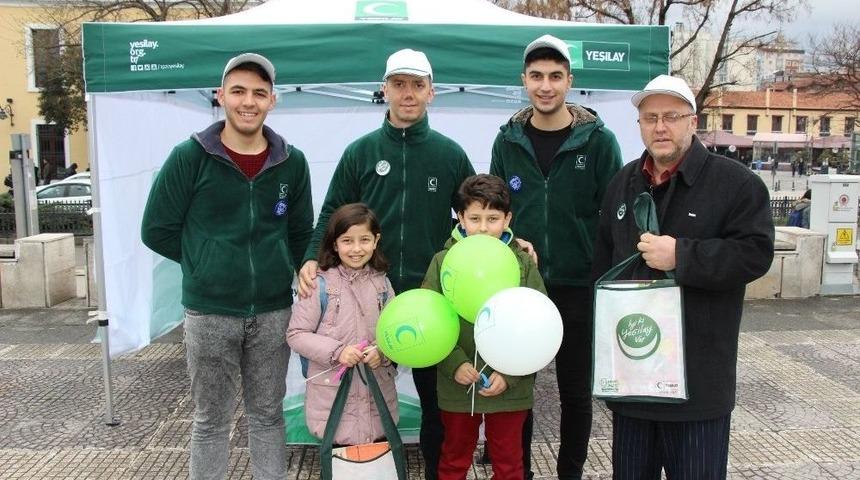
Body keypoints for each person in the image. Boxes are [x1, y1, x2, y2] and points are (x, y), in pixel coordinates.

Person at [296, 48, 475, 480]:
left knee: (438, 406)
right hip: (368, 302)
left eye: (417, 85)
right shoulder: (361, 152)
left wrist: (509, 241)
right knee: (363, 402)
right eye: (399, 84)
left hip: (434, 303)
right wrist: (308, 258)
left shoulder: (450, 154)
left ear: (431, 92)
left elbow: (476, 216)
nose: (407, 94)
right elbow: (332, 213)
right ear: (385, 89)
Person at [141, 53, 314, 480]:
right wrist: (207, 261)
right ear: (221, 97)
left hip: (273, 310)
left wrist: (299, 268)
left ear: (273, 100)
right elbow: (156, 229)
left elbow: (299, 234)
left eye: (259, 93)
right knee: (210, 421)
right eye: (238, 91)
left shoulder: (293, 162)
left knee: (267, 416)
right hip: (209, 313)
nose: (248, 102)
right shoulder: (190, 157)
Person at [592, 74, 774, 479]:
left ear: (693, 121)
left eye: (671, 116)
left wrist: (682, 255)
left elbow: (755, 254)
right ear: (638, 124)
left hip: (697, 385)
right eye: (650, 117)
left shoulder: (735, 184)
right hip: (633, 380)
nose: (660, 126)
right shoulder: (621, 184)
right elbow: (602, 262)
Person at [489, 34, 623, 479]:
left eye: (555, 76)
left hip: (579, 284)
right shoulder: (507, 141)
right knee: (520, 390)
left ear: (570, 81)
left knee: (576, 393)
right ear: (523, 81)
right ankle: (519, 471)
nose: (545, 86)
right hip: (521, 287)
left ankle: (570, 473)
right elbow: (493, 212)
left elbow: (614, 216)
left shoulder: (599, 142)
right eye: (536, 76)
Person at [422, 174, 546, 480]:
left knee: (509, 464)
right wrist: (455, 365)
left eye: (492, 219)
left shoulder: (522, 264)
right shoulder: (442, 261)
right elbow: (429, 320)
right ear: (460, 218)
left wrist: (511, 374)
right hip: (457, 384)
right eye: (474, 218)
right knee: (453, 460)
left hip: (509, 386)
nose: (482, 227)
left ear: (507, 219)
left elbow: (538, 326)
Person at [287, 203, 398, 444]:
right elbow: (296, 334)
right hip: (332, 403)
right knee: (340, 463)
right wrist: (338, 352)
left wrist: (382, 351)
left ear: (376, 240)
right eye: (347, 241)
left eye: (364, 240)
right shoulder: (318, 284)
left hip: (377, 398)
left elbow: (395, 332)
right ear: (335, 243)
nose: (356, 249)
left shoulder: (383, 284)